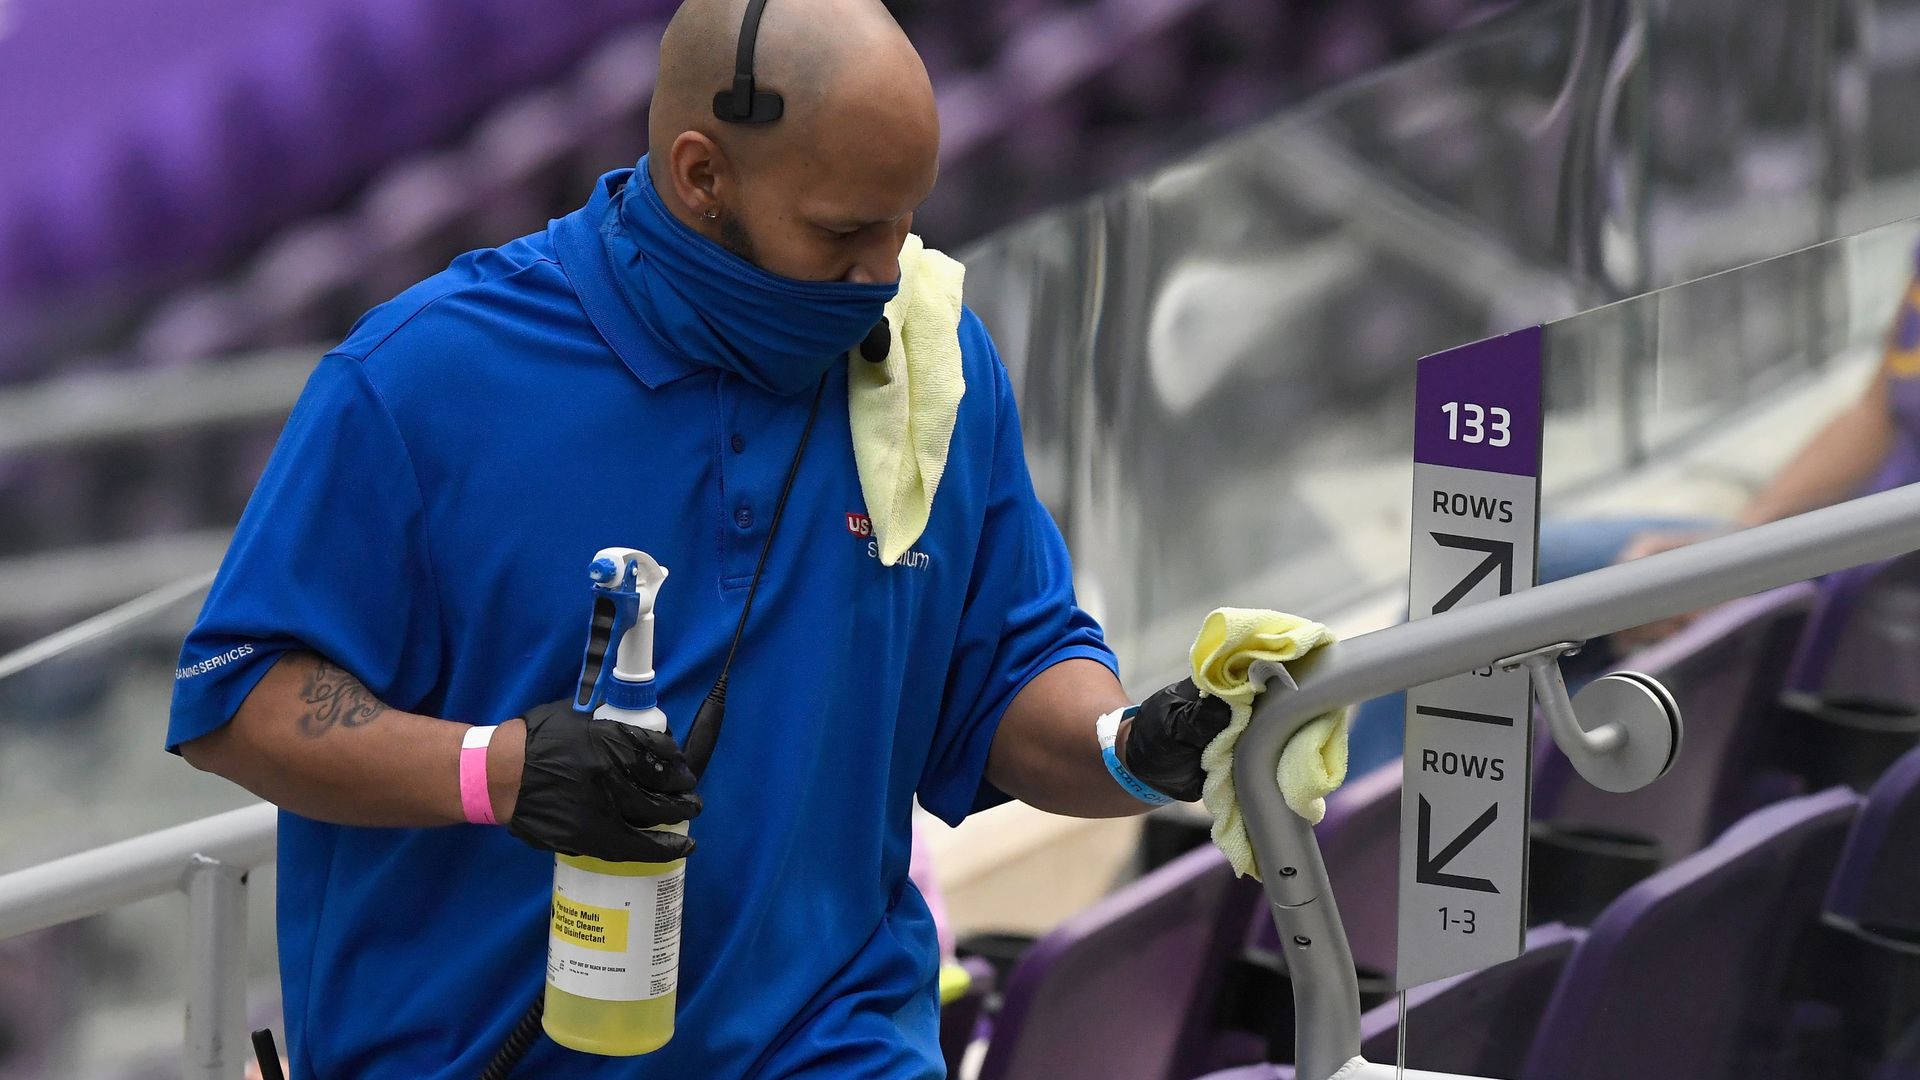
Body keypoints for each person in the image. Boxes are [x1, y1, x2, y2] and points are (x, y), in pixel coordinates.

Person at [166, 1, 1235, 1077]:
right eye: (841, 232)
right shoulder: (419, 382)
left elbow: (1008, 668)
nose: (885, 274)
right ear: (700, 177)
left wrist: (1132, 748)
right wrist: (496, 770)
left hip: (837, 1046)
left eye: (903, 221)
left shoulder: (929, 361)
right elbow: (236, 697)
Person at [1345, 253, 1920, 774]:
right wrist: (1737, 546)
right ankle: (1354, 827)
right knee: (1490, 565)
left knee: (1630, 662)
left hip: (1878, 585)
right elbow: (1879, 408)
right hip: (1841, 545)